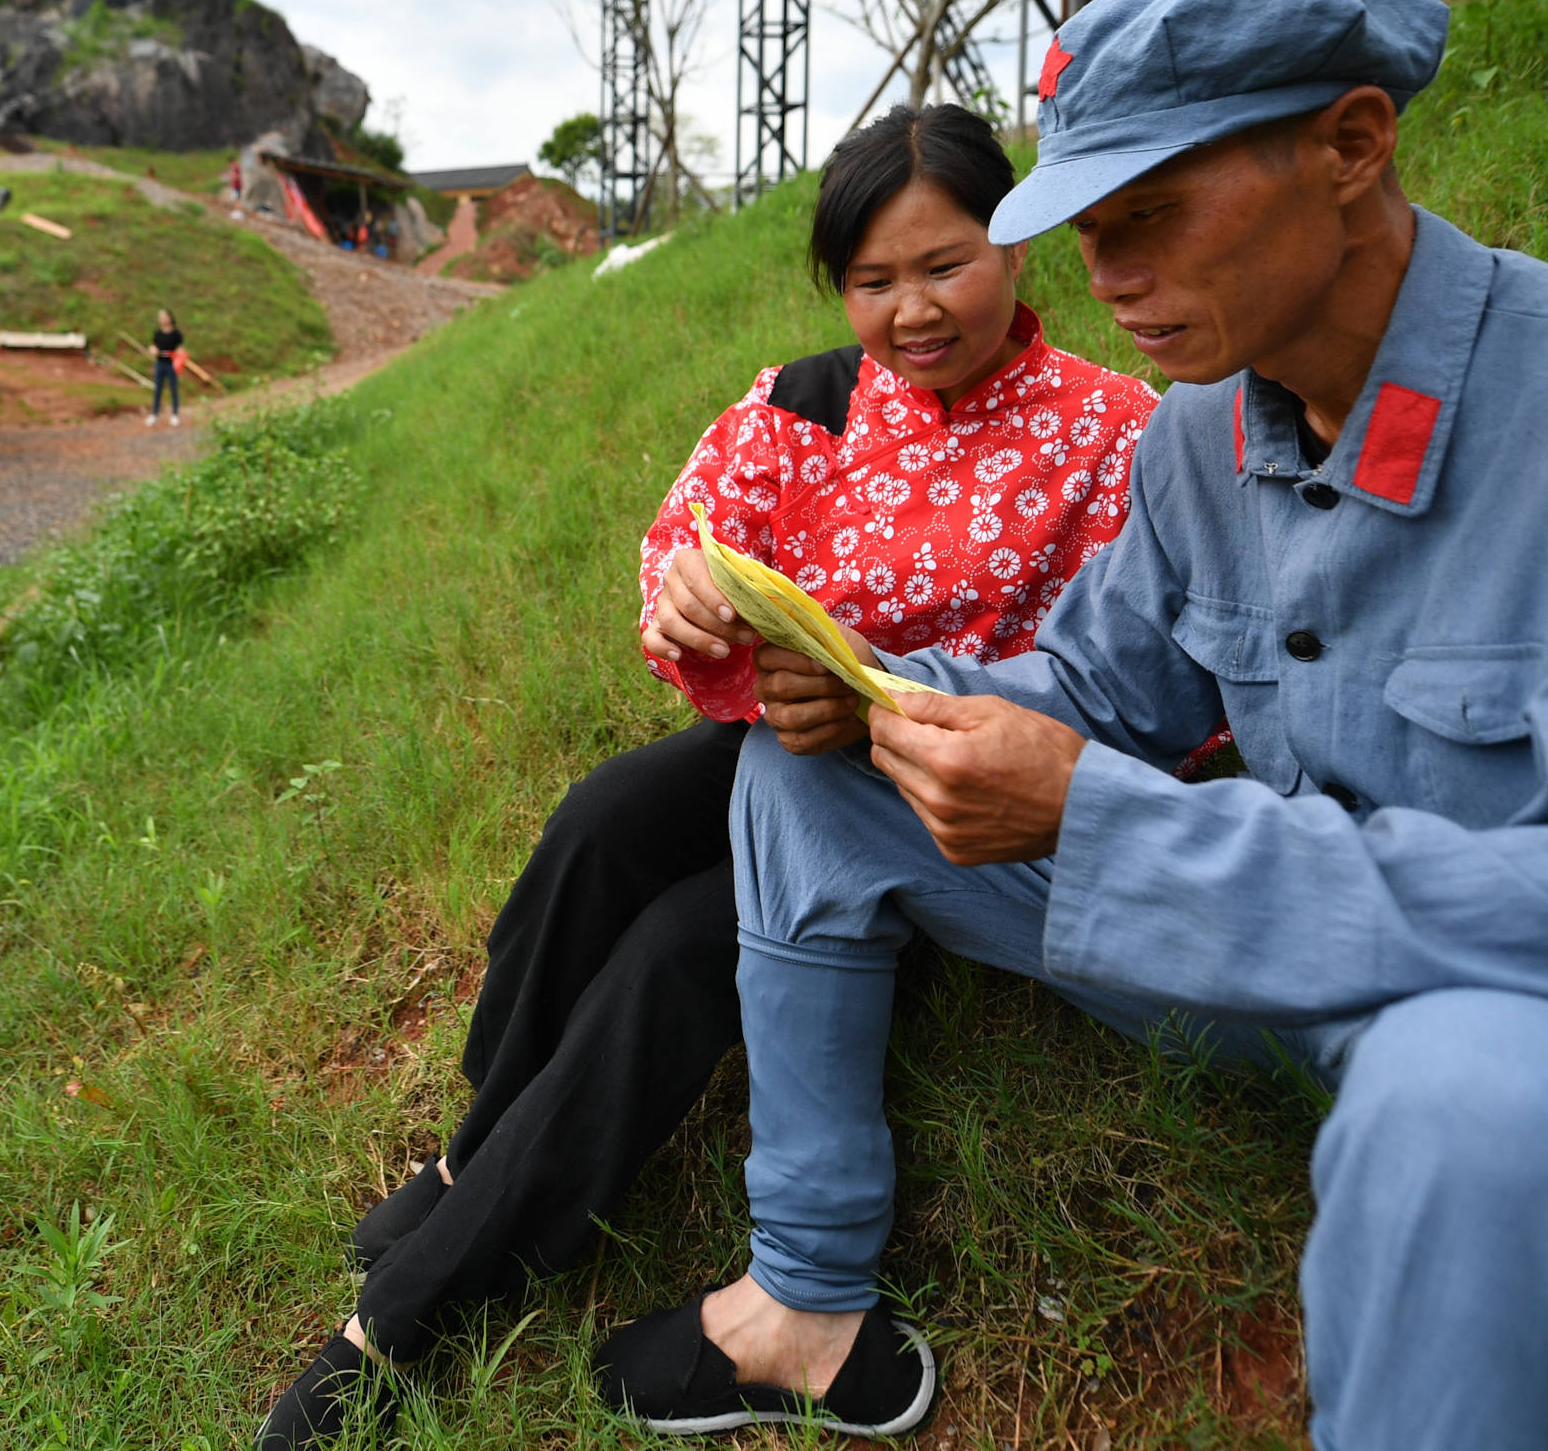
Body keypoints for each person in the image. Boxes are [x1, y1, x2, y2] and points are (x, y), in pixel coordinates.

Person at [589, 0, 1548, 1447]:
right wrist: (878, 691)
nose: (1109, 277)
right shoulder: (1200, 439)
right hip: (1314, 973)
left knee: (1460, 1098)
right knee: (814, 771)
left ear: (1352, 145)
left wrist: (1112, 827)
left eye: (1152, 213)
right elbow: (1099, 685)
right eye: (1087, 230)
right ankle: (808, 1290)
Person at [258, 106, 1164, 1447]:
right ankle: (475, 1147)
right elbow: (689, 532)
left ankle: (405, 1318)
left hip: (937, 804)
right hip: (792, 744)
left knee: (684, 946)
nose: (913, 310)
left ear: (1016, 246)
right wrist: (690, 596)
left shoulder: (1111, 433)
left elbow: (1117, 690)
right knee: (604, 820)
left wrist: (908, 694)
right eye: (873, 280)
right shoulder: (807, 400)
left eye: (945, 265)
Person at [148, 307, 196, 427]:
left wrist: (180, 354)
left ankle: (175, 414)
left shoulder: (176, 334)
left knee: (173, 389)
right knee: (157, 389)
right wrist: (153, 350)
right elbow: (153, 346)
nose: (162, 319)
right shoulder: (157, 333)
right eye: (160, 317)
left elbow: (180, 348)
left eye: (164, 316)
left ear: (169, 318)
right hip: (160, 363)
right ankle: (154, 414)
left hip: (172, 364)